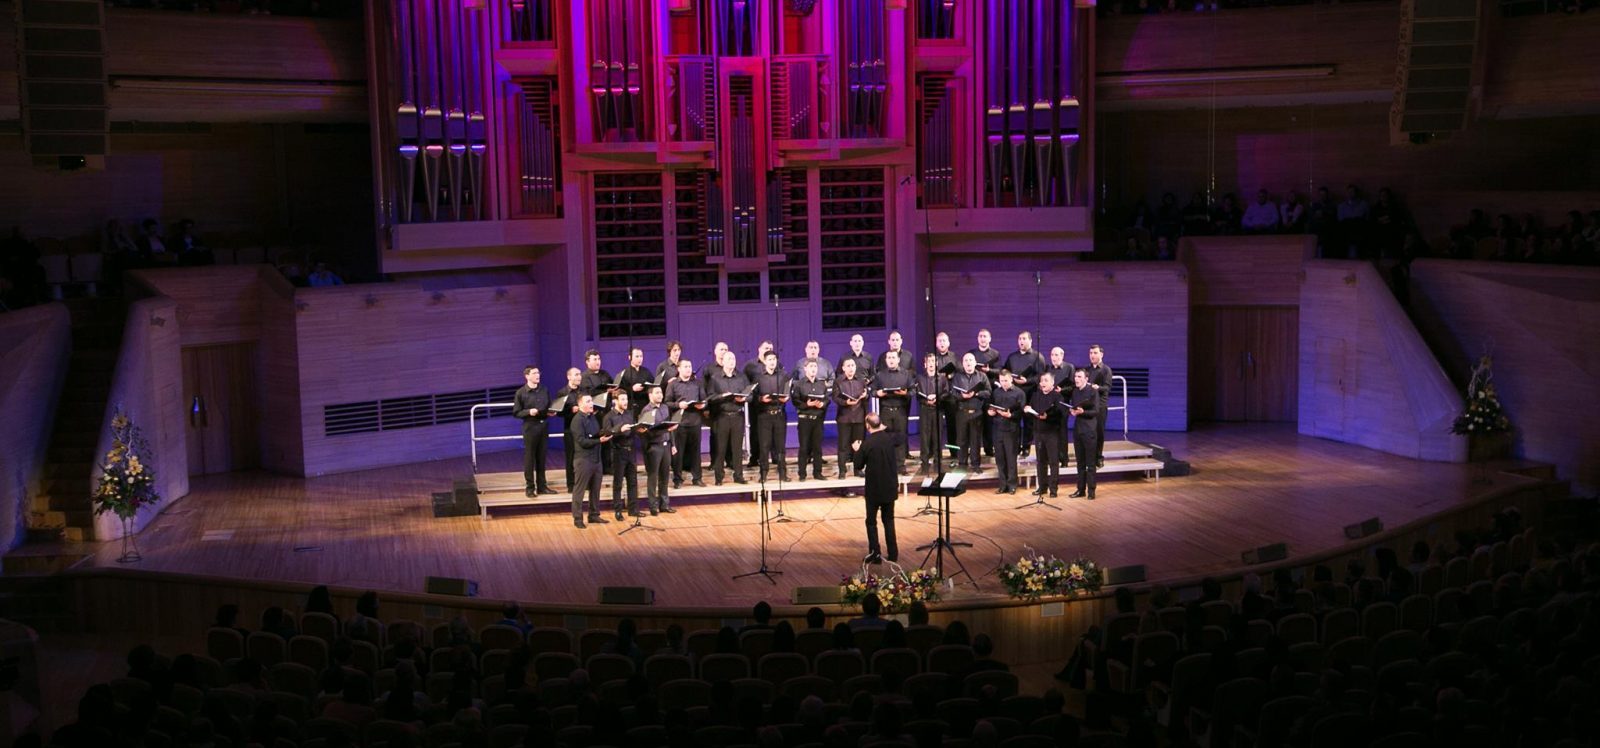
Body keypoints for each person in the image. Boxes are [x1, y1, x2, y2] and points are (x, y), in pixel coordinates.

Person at [853, 412, 904, 564]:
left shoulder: (867, 444)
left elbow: (858, 465)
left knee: (871, 522)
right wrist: (885, 429)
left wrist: (857, 450)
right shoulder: (890, 439)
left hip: (874, 489)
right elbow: (902, 437)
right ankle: (893, 554)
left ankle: (875, 554)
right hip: (889, 487)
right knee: (889, 521)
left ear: (867, 425)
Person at [707, 350, 751, 485]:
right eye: (729, 359)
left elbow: (750, 395)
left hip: (737, 415)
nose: (732, 361)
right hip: (722, 417)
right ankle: (719, 477)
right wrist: (722, 396)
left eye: (733, 358)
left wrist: (743, 398)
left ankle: (738, 475)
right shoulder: (715, 378)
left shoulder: (742, 377)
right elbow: (710, 397)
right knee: (721, 448)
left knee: (737, 448)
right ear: (723, 362)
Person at [513, 366, 555, 497]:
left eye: (538, 372)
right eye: (534, 373)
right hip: (530, 427)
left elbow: (548, 405)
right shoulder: (521, 392)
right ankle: (530, 488)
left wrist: (551, 412)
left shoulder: (544, 389)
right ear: (527, 376)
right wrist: (528, 412)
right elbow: (516, 412)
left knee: (541, 457)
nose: (538, 375)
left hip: (543, 426)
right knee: (530, 458)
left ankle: (542, 486)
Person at [570, 394, 610, 528]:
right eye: (588, 401)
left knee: (595, 489)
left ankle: (594, 515)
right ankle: (577, 518)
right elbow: (581, 441)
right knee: (579, 490)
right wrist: (599, 440)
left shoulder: (592, 417)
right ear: (580, 405)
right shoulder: (577, 420)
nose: (592, 403)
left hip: (596, 459)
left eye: (591, 401)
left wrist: (605, 433)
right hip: (584, 459)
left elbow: (595, 434)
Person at [603, 392, 644, 520]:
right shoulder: (609, 417)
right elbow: (607, 432)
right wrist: (619, 430)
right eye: (622, 399)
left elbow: (632, 430)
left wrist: (639, 430)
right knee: (618, 483)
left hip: (630, 451)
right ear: (615, 401)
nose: (625, 402)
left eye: (626, 399)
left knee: (632, 482)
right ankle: (618, 511)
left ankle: (633, 509)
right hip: (618, 452)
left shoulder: (629, 414)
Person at [1004, 331, 1045, 457]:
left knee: (1028, 422)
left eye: (1024, 339)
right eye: (1020, 339)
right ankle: (1015, 446)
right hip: (1014, 395)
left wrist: (1027, 380)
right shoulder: (1012, 357)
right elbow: (1005, 371)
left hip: (1030, 394)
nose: (1021, 341)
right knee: (1014, 420)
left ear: (1030, 341)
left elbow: (1041, 376)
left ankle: (1026, 446)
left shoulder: (1037, 356)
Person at [666, 359, 705, 488]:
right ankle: (678, 479)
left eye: (690, 366)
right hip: (680, 423)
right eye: (685, 366)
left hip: (695, 421)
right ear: (679, 369)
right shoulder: (673, 384)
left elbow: (704, 400)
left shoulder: (697, 383)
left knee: (696, 452)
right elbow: (667, 402)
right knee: (679, 453)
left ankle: (697, 478)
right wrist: (679, 405)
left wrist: (702, 405)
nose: (688, 369)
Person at [753, 350, 791, 482]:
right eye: (769, 359)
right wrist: (761, 399)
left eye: (774, 359)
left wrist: (786, 398)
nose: (772, 362)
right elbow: (753, 397)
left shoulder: (783, 376)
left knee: (781, 446)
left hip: (779, 414)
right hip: (764, 415)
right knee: (764, 446)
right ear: (764, 361)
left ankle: (782, 473)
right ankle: (763, 474)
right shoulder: (758, 378)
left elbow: (788, 392)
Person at [872, 350, 913, 473]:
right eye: (888, 357)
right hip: (885, 410)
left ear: (898, 359)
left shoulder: (906, 374)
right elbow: (872, 391)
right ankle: (887, 465)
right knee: (886, 439)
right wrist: (877, 393)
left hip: (900, 410)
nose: (891, 360)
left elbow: (913, 391)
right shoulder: (880, 375)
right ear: (885, 360)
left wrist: (905, 393)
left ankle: (900, 465)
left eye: (893, 357)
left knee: (900, 438)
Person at [1026, 372, 1065, 498]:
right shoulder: (1036, 395)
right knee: (1040, 461)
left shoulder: (1057, 397)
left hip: (1052, 433)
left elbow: (1061, 415)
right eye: (1041, 381)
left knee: (1053, 462)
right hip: (1038, 432)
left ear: (1052, 383)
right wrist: (1027, 409)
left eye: (1046, 381)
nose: (1042, 383)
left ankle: (1053, 489)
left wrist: (1048, 416)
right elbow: (1031, 412)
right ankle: (1042, 487)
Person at [640, 383, 678, 514]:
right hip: (654, 447)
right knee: (653, 477)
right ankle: (653, 506)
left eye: (661, 393)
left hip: (666, 446)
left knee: (665, 476)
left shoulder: (665, 408)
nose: (660, 395)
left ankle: (664, 504)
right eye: (657, 393)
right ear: (650, 395)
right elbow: (645, 432)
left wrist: (673, 444)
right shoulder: (646, 410)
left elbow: (670, 428)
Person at [951, 353, 991, 471]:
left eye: (970, 360)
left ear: (975, 362)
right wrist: (962, 396)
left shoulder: (982, 376)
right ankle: (962, 463)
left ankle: (975, 464)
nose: (968, 363)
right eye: (966, 360)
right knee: (961, 440)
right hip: (962, 412)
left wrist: (976, 393)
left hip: (977, 413)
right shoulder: (957, 377)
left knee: (975, 440)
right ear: (963, 364)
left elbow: (988, 392)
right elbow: (953, 393)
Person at [791, 360, 830, 481]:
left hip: (817, 419)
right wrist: (806, 404)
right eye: (811, 366)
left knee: (817, 447)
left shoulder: (822, 384)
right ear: (805, 369)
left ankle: (817, 473)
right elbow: (795, 401)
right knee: (804, 447)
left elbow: (827, 400)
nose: (813, 369)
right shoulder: (799, 384)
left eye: (815, 366)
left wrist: (822, 404)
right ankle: (802, 474)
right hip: (804, 419)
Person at [988, 370, 1025, 494]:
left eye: (1005, 381)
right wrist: (990, 412)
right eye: (1001, 380)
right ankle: (1003, 485)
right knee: (1000, 459)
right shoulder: (996, 392)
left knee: (1011, 458)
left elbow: (1021, 412)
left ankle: (1012, 485)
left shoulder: (1019, 393)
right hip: (997, 429)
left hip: (1011, 429)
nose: (1003, 383)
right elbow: (991, 406)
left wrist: (1011, 415)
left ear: (1011, 380)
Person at [834, 358, 868, 485]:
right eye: (848, 366)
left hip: (859, 417)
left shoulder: (861, 380)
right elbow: (835, 397)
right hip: (844, 417)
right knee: (843, 446)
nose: (850, 368)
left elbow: (866, 395)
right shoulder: (838, 381)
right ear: (843, 368)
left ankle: (858, 469)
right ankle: (842, 470)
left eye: (852, 365)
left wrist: (866, 395)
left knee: (858, 445)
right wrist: (845, 402)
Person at [969, 329, 1002, 457]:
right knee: (974, 422)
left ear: (990, 339)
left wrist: (989, 370)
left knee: (989, 422)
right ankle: (974, 451)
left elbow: (999, 370)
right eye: (980, 336)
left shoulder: (995, 354)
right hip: (974, 392)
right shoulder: (972, 353)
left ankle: (989, 448)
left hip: (989, 392)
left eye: (985, 336)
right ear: (978, 338)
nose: (983, 338)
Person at [742, 341, 776, 468]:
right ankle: (754, 458)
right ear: (759, 349)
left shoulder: (777, 364)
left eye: (771, 348)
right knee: (755, 431)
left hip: (772, 405)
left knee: (774, 431)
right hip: (756, 405)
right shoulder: (750, 366)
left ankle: (775, 458)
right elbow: (744, 383)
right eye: (766, 348)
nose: (768, 350)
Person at [914, 352, 948, 474]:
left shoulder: (942, 378)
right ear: (925, 364)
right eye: (929, 362)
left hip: (937, 410)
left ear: (937, 364)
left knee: (937, 437)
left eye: (933, 362)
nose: (931, 364)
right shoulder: (920, 378)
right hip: (925, 410)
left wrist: (937, 398)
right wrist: (926, 400)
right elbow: (917, 395)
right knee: (925, 438)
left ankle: (938, 464)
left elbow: (946, 393)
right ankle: (924, 464)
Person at [1068, 369, 1099, 500]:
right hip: (1078, 430)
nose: (1076, 379)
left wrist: (1082, 412)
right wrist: (1072, 411)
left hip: (1089, 430)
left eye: (1079, 377)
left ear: (1086, 379)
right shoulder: (1075, 391)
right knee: (1080, 462)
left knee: (1090, 463)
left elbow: (1096, 411)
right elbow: (1075, 408)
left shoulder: (1092, 391)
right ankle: (1080, 489)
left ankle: (1091, 491)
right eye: (1075, 376)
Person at [554, 367, 585, 489]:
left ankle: (583, 482)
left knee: (583, 457)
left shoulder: (583, 391)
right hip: (570, 429)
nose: (579, 377)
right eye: (576, 375)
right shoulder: (562, 393)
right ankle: (571, 484)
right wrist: (571, 410)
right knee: (571, 457)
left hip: (584, 428)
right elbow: (559, 413)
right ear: (569, 377)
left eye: (579, 374)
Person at [1045, 347, 1075, 468]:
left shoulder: (1069, 367)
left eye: (1056, 355)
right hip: (1049, 404)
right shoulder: (1048, 369)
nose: (1054, 357)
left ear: (1062, 356)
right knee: (1050, 432)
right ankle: (1052, 458)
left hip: (1062, 404)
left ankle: (1064, 459)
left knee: (1062, 432)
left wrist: (1061, 390)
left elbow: (1073, 387)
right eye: (1052, 355)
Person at [1085, 345, 1113, 468]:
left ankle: (1098, 457)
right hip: (1088, 406)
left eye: (1095, 353)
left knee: (1099, 432)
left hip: (1100, 405)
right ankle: (1089, 457)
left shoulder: (1106, 370)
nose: (1092, 355)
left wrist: (1098, 388)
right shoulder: (1087, 370)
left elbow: (1107, 388)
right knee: (1088, 432)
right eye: (1091, 353)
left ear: (1101, 354)